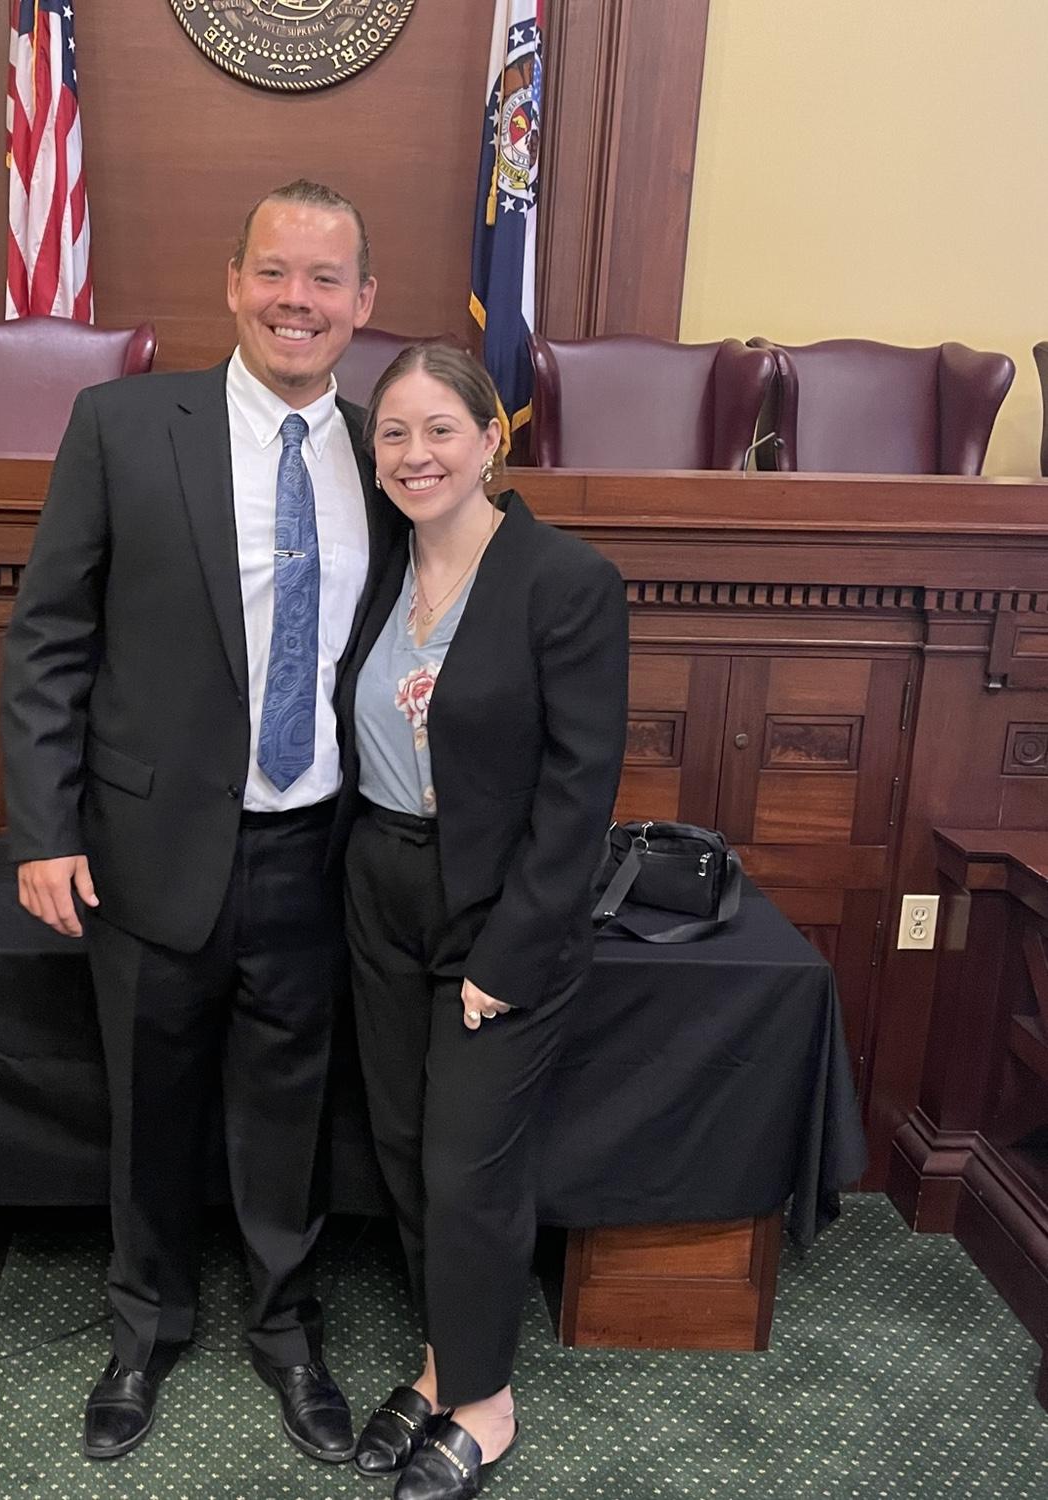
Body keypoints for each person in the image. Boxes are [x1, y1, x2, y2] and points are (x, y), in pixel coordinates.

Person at [1, 179, 404, 1465]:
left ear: (363, 301)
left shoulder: (392, 455)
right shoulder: (122, 425)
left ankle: (287, 1330)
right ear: (232, 283)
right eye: (274, 271)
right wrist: (42, 828)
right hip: (148, 847)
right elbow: (50, 639)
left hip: (316, 849)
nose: (298, 299)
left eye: (326, 278)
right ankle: (143, 1330)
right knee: (150, 1107)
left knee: (291, 1111)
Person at [337, 343, 629, 1499]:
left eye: (440, 429)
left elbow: (579, 792)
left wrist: (509, 951)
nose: (416, 455)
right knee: (406, 1149)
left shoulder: (564, 580)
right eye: (394, 433)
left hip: (503, 910)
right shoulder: (377, 570)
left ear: (491, 439)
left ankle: (486, 1402)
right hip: (380, 890)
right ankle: (441, 1363)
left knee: (468, 1168)